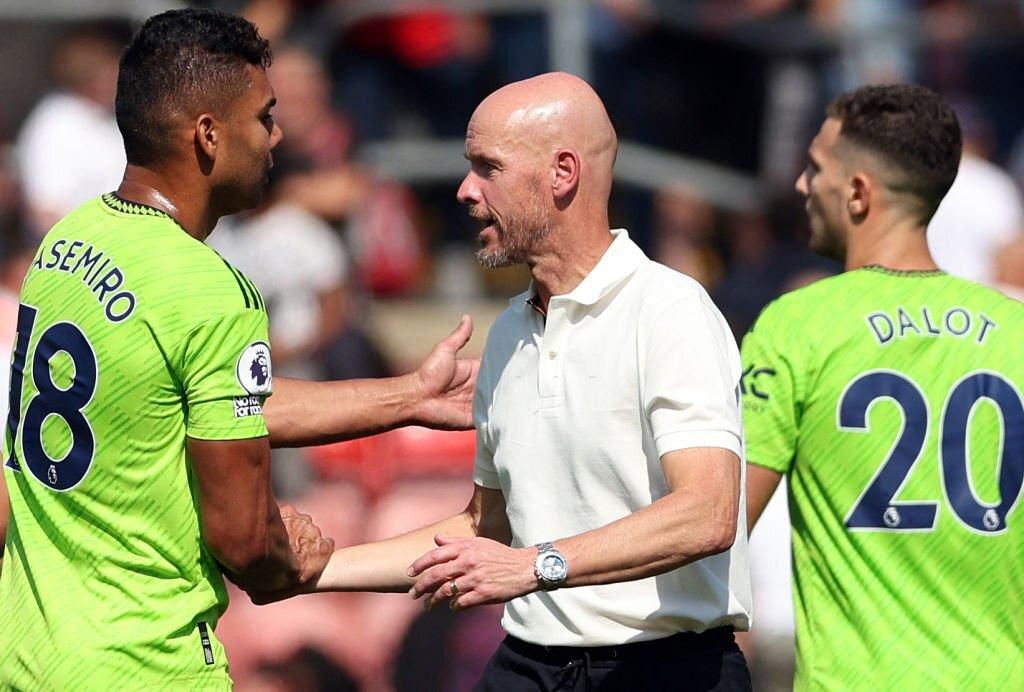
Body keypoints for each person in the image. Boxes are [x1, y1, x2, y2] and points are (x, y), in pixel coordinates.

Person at [0, 9, 477, 690]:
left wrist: (409, 398)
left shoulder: (67, 243)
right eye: (264, 117)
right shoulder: (209, 289)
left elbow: (207, 403)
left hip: (27, 652)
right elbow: (245, 542)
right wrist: (291, 553)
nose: (277, 137)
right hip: (144, 664)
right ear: (208, 135)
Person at [255, 72, 752, 691]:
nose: (464, 190)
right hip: (529, 661)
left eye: (488, 167)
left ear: (562, 173)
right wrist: (313, 570)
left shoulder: (671, 311)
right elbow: (485, 528)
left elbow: (706, 514)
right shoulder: (510, 333)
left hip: (667, 669)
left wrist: (536, 565)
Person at [741, 84, 1024, 690]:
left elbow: (719, 520)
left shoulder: (798, 323)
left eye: (814, 167)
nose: (801, 186)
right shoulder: (1017, 330)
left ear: (858, 193)